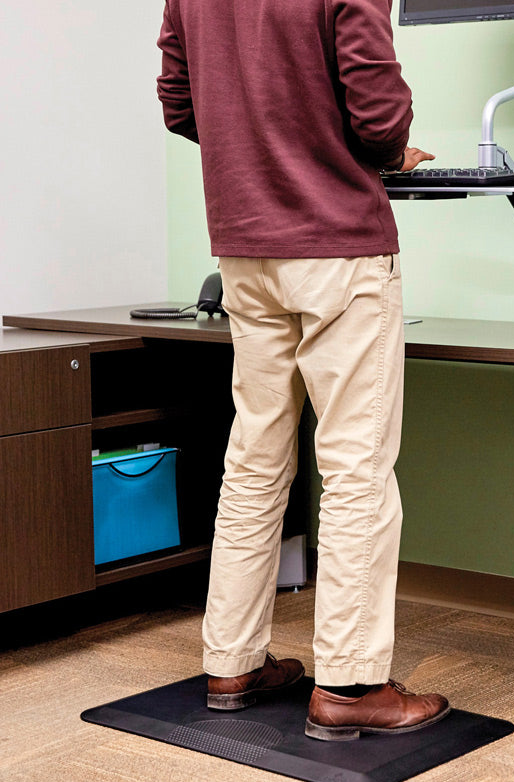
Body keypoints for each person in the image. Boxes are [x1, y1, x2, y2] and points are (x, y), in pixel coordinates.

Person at [156, 0, 449, 740]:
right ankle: (351, 684)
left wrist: (257, 152)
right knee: (355, 466)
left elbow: (178, 101)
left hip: (244, 247)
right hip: (337, 247)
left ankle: (232, 660)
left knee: (254, 457)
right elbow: (379, 117)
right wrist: (374, 155)